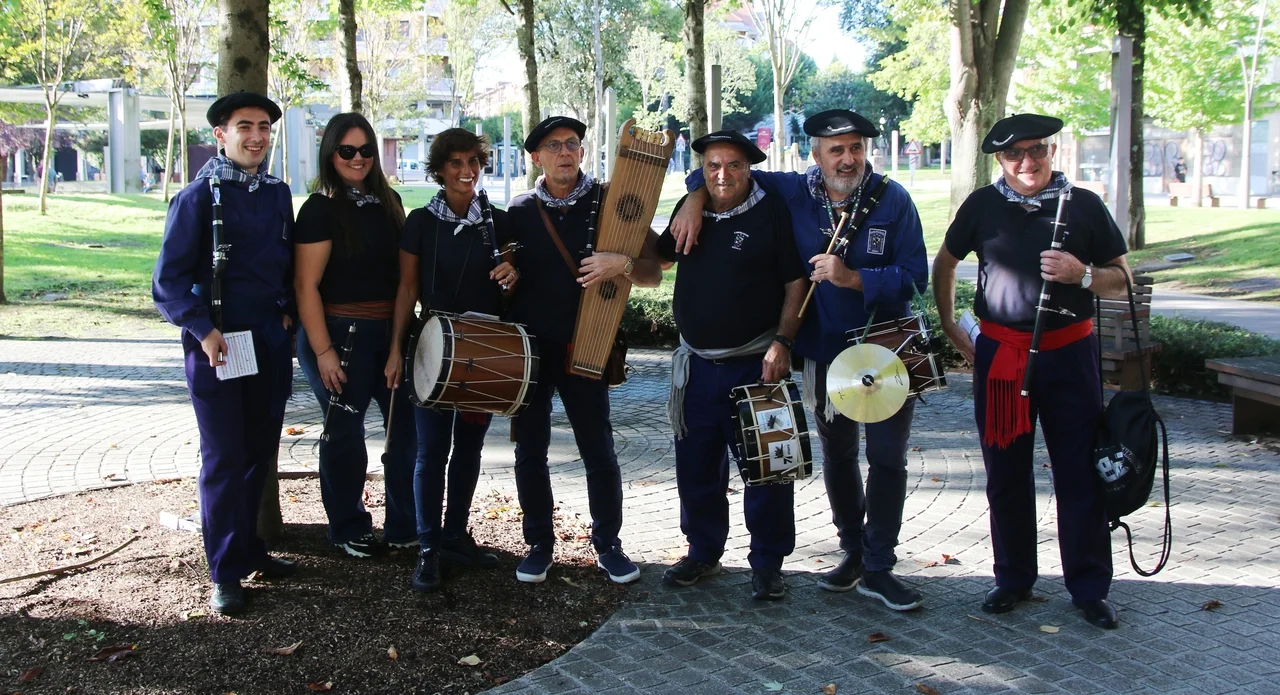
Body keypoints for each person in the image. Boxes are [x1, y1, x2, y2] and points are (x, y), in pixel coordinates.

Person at [669, 109, 928, 612]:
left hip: (884, 351)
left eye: (855, 148)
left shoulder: (893, 199)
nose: (847, 159)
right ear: (816, 154)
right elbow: (724, 174)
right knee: (839, 455)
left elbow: (915, 275)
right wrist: (695, 199)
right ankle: (853, 551)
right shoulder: (794, 191)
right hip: (826, 352)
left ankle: (880, 566)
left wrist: (853, 277)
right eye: (836, 150)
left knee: (887, 458)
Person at [932, 113, 1131, 630]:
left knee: (1079, 472)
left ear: (1052, 152)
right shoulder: (982, 205)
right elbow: (946, 262)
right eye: (1014, 154)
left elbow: (1122, 280)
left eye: (1037, 150)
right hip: (1002, 357)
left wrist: (1082, 274)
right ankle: (1013, 577)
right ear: (1000, 159)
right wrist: (950, 323)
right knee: (1005, 472)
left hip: (1069, 356)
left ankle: (1089, 587)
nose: (1027, 162)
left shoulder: (1083, 205)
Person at [152, 91, 297, 615]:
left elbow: (285, 263)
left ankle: (251, 549)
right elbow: (167, 283)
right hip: (217, 345)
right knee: (224, 458)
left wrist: (288, 312)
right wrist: (201, 328)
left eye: (263, 127)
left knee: (259, 451)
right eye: (244, 127)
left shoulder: (278, 193)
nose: (256, 137)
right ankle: (226, 571)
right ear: (221, 134)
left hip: (268, 342)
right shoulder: (196, 198)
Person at [504, 116, 664, 585]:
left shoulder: (612, 201)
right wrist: (506, 276)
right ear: (536, 157)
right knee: (530, 451)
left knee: (598, 449)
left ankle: (608, 545)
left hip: (587, 345)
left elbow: (656, 271)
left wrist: (622, 263)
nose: (565, 152)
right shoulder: (518, 210)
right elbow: (504, 274)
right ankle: (539, 544)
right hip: (532, 351)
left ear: (582, 151)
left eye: (572, 143)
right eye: (554, 145)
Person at [657, 131, 807, 600]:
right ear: (701, 171)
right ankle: (702, 552)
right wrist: (689, 201)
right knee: (697, 468)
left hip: (757, 364)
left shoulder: (772, 211)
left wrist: (783, 343)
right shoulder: (691, 206)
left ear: (749, 168)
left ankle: (768, 563)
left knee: (769, 468)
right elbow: (658, 262)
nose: (723, 174)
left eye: (734, 165)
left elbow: (796, 282)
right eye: (713, 166)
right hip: (698, 368)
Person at [388, 128, 519, 593]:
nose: (467, 171)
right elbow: (407, 289)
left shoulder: (499, 222)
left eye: (474, 162)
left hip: (482, 352)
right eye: (456, 163)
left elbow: (514, 284)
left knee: (469, 448)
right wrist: (395, 351)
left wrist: (513, 274)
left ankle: (456, 536)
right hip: (431, 349)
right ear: (440, 170)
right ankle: (427, 548)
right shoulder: (421, 222)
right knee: (430, 452)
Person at [293, 112, 417, 560]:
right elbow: (304, 286)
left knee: (406, 431)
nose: (358, 158)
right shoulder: (319, 209)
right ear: (331, 153)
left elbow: (405, 278)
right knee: (345, 433)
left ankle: (404, 524)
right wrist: (323, 351)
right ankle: (347, 525)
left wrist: (399, 343)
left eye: (366, 150)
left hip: (392, 332)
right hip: (338, 334)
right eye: (347, 150)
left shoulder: (390, 202)